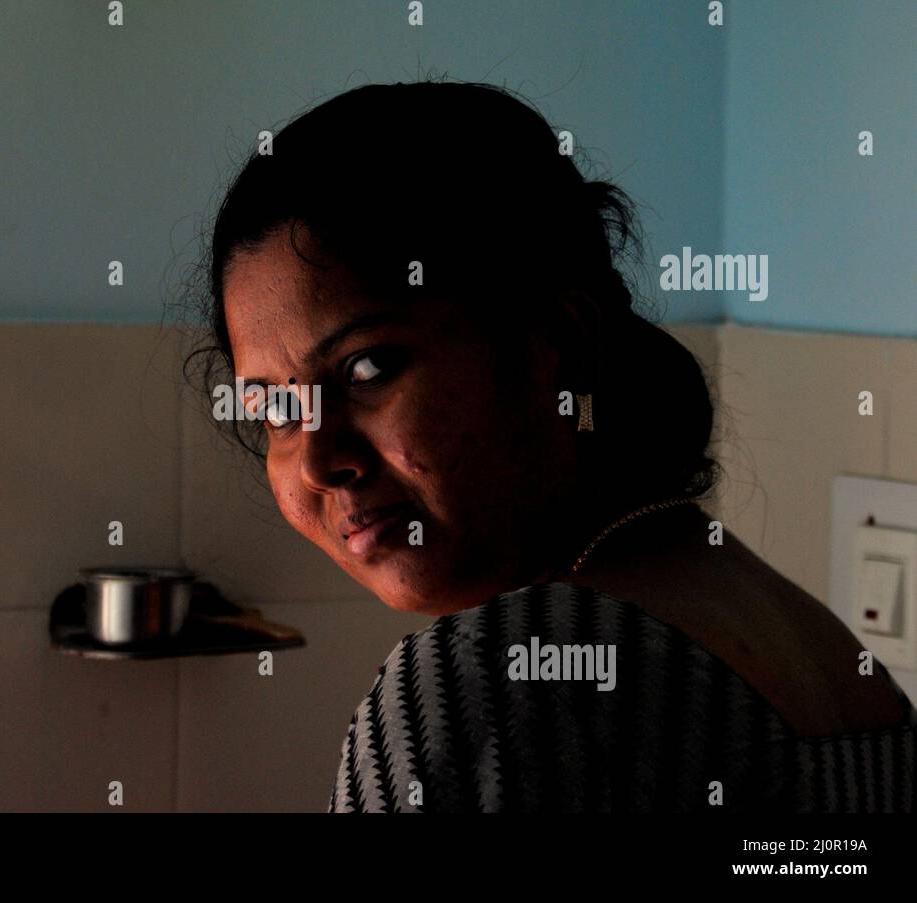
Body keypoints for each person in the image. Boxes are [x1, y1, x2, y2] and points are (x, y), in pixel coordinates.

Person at [185, 80, 916, 812]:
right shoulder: (826, 656)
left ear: (555, 346)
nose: (318, 459)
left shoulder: (496, 683)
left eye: (368, 367)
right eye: (274, 408)